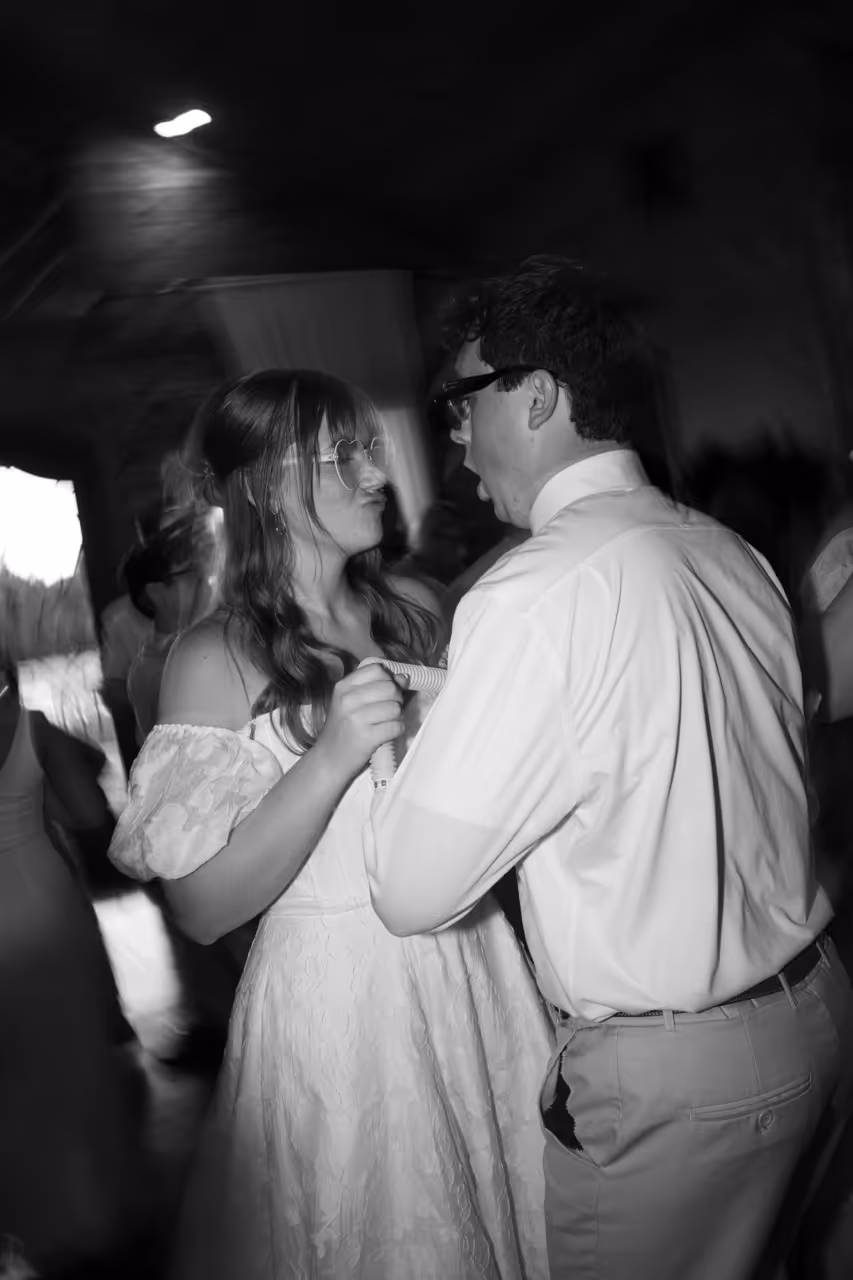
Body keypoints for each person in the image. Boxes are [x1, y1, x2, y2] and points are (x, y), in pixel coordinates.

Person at [366, 257, 853, 1280]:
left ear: (535, 394)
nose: (453, 443)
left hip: (675, 1079)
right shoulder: (726, 549)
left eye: (460, 404)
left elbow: (412, 890)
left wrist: (400, 747)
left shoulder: (530, 592)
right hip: (814, 1007)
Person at [108, 369, 553, 1279]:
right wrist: (330, 755)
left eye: (369, 451)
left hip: (474, 966)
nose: (375, 475)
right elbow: (198, 911)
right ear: (269, 484)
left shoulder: (419, 610)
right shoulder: (212, 659)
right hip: (341, 1003)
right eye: (343, 455)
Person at [0, 655, 143, 1276]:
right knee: (73, 1062)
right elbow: (86, 813)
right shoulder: (28, 726)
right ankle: (90, 1219)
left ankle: (29, 1223)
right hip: (39, 908)